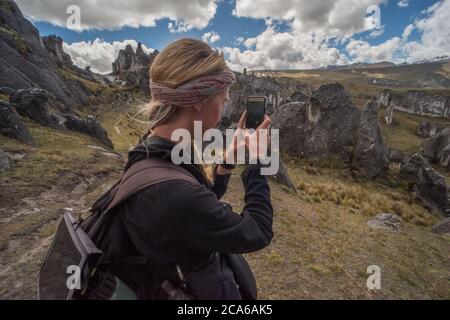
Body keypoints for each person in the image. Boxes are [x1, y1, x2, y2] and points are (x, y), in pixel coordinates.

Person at [101, 38, 273, 299]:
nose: (224, 107)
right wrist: (258, 161)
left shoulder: (149, 151)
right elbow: (257, 231)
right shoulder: (171, 196)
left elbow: (189, 212)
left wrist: (226, 163)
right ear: (199, 101)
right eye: (223, 100)